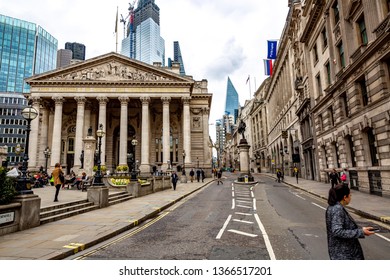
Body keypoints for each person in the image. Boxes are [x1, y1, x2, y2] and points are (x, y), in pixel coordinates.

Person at [326, 183, 375, 260]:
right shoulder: (337, 209)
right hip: (344, 254)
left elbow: (344, 226)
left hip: (340, 252)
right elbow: (337, 231)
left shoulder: (333, 207)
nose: (351, 197)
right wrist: (361, 232)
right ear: (345, 197)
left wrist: (361, 229)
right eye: (350, 195)